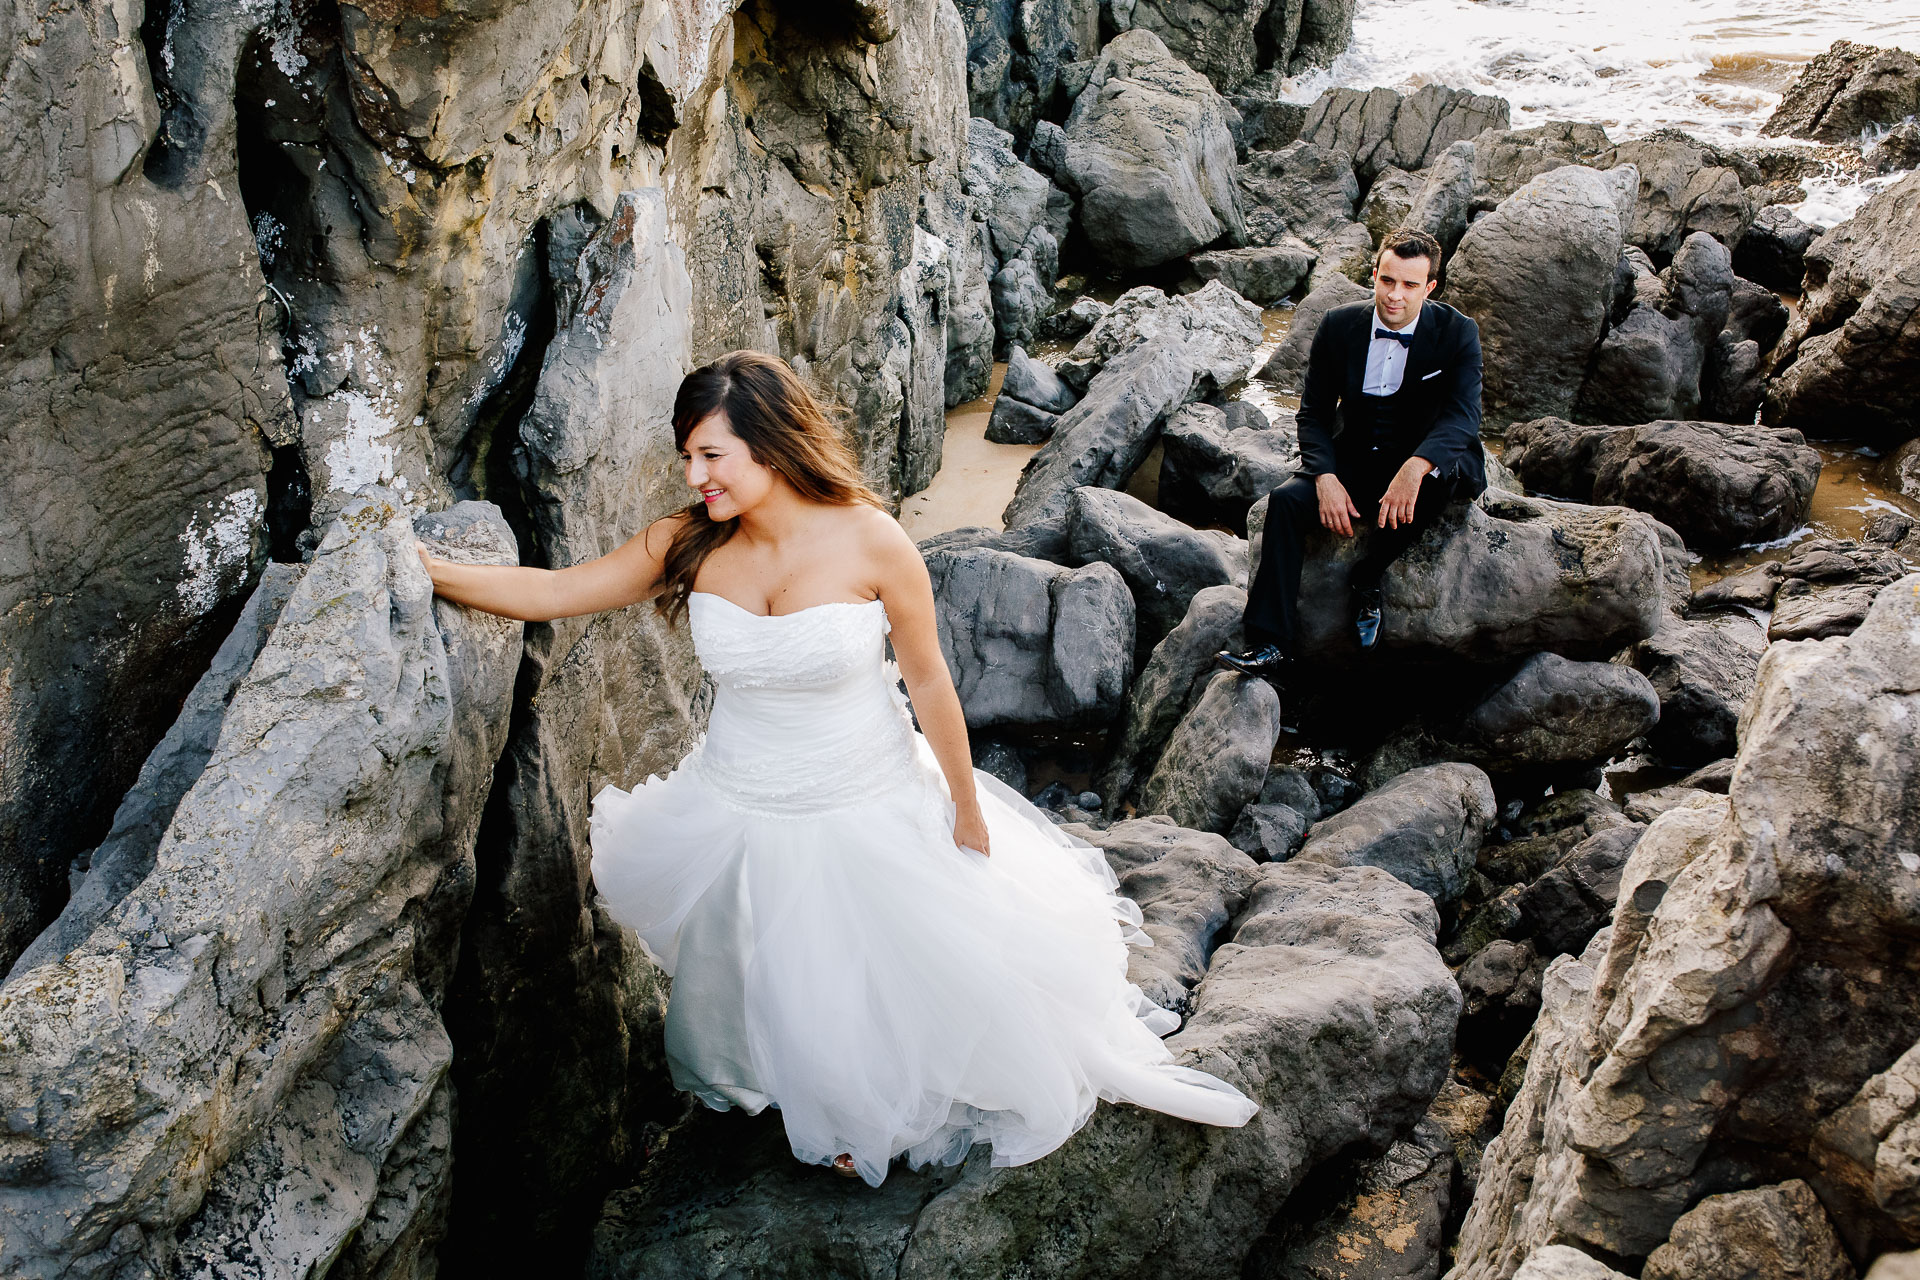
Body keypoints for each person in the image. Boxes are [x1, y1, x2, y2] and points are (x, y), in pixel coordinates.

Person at [418, 350, 1257, 1186]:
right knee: (768, 967)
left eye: (711, 454)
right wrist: (425, 571)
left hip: (864, 789)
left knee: (858, 968)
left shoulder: (871, 538)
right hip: (738, 797)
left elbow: (928, 677)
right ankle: (772, 1082)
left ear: (771, 445)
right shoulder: (685, 542)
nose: (693, 473)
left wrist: (965, 806)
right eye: (687, 455)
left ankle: (864, 1109)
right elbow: (555, 592)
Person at [1217, 228, 1486, 682]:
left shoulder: (1458, 332)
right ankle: (1269, 644)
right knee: (1284, 504)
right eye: (1387, 281)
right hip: (1357, 453)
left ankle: (1369, 574)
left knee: (1438, 483)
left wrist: (1416, 467)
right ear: (1375, 274)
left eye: (1409, 285)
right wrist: (1324, 477)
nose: (1395, 296)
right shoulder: (1339, 325)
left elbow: (1462, 415)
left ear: (1430, 288)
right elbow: (1314, 414)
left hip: (1425, 456)